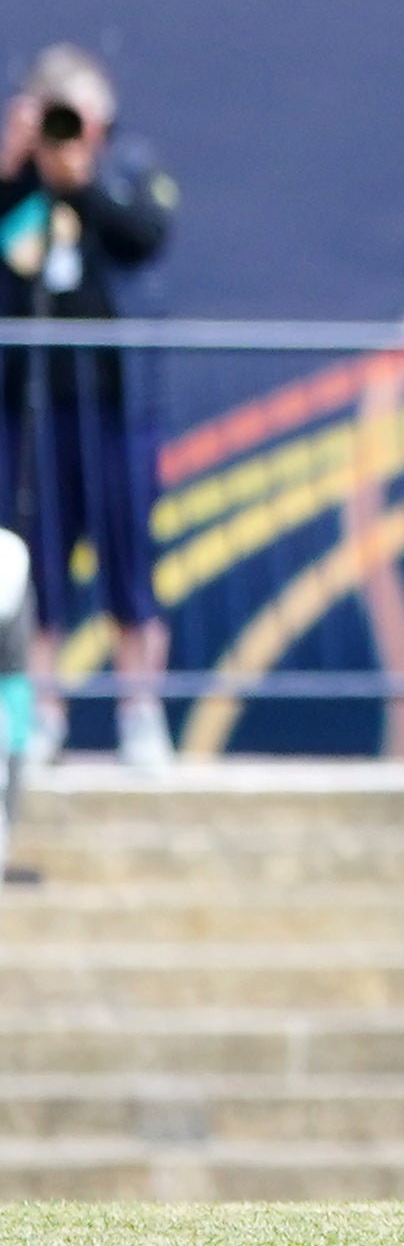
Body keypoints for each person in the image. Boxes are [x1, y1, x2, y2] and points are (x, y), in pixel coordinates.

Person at [2, 46, 177, 771]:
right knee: (31, 569)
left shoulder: (130, 168)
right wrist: (16, 162)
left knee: (128, 561)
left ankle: (142, 714)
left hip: (113, 404)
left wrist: (83, 181)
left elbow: (147, 237)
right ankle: (38, 717)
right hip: (28, 409)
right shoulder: (16, 183)